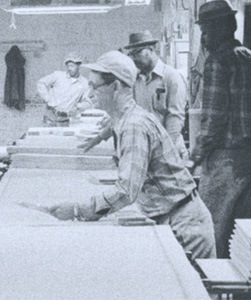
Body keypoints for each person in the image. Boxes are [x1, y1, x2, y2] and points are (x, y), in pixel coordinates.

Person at [31, 51, 216, 260]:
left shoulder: (134, 126)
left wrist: (77, 210)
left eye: (95, 87)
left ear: (116, 87)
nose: (89, 93)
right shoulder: (125, 118)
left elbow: (126, 190)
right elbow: (113, 128)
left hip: (185, 225)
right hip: (169, 215)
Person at [190, 0, 251, 259]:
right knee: (245, 242)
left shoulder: (217, 62)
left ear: (221, 28)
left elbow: (212, 122)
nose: (203, 38)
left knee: (210, 236)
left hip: (224, 163)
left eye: (205, 31)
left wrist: (193, 157)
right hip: (250, 160)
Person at [80, 31, 188, 160]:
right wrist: (99, 138)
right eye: (131, 54)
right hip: (142, 146)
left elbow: (175, 119)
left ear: (152, 49)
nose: (134, 58)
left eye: (137, 53)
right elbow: (124, 113)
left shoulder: (171, 77)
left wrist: (164, 152)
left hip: (168, 149)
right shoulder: (135, 80)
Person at [37, 52, 92, 127]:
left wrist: (78, 106)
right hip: (50, 116)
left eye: (72, 66)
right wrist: (47, 98)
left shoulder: (84, 83)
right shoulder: (58, 75)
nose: (69, 69)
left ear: (79, 66)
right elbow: (41, 83)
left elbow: (89, 103)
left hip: (65, 119)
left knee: (62, 138)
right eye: (68, 66)